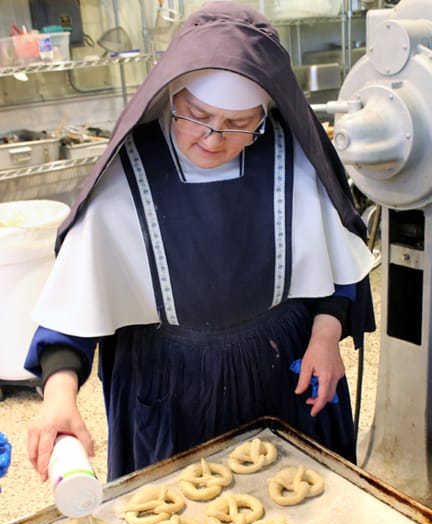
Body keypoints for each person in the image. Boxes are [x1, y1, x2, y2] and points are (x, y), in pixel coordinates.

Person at [25, 1, 376, 484]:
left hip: (284, 371)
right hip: (169, 390)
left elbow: (337, 267)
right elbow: (72, 312)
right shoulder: (127, 173)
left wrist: (326, 334)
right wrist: (59, 396)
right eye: (197, 116)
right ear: (172, 96)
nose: (213, 139)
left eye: (239, 124)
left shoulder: (290, 157)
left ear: (266, 113)